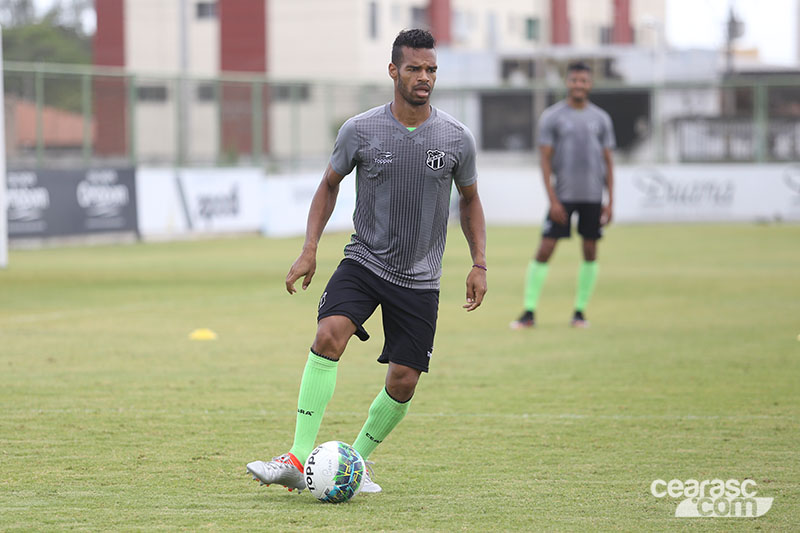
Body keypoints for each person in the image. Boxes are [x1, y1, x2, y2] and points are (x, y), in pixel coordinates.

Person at [246, 29, 487, 495]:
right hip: (365, 262)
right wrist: (310, 248)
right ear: (393, 70)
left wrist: (479, 263)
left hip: (420, 279)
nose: (424, 77)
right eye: (414, 68)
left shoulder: (457, 138)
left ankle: (354, 463)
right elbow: (329, 184)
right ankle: (296, 457)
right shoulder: (359, 130)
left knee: (404, 380)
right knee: (328, 335)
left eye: (431, 69)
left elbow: (471, 200)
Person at [511, 61, 615, 329]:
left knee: (590, 251)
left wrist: (610, 201)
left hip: (593, 197)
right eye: (574, 80)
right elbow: (545, 160)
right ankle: (529, 311)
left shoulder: (601, 119)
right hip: (563, 197)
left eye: (584, 81)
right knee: (545, 249)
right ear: (567, 82)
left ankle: (580, 312)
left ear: (590, 84)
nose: (579, 85)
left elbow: (608, 161)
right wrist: (553, 200)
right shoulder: (552, 117)